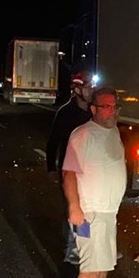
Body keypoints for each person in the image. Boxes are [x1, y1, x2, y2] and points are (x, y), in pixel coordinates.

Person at [62, 86, 127, 278]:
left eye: (115, 106)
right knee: (90, 266)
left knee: (105, 260)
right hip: (89, 212)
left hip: (108, 211)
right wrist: (75, 208)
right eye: (106, 106)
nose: (112, 111)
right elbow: (69, 173)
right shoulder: (83, 135)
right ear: (94, 109)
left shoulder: (113, 132)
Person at [47, 72, 92, 264]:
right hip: (70, 169)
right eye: (87, 87)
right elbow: (53, 143)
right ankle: (72, 248)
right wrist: (51, 168)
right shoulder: (65, 113)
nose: (91, 91)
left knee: (88, 206)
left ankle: (85, 244)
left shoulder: (93, 112)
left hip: (89, 169)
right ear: (76, 90)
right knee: (72, 206)